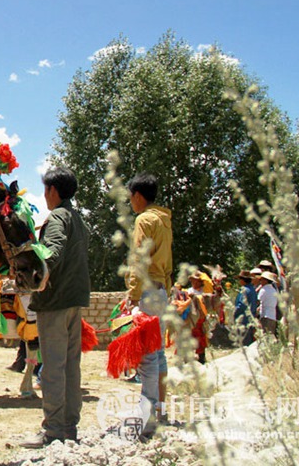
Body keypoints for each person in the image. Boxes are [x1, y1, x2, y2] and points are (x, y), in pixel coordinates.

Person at [21, 167, 90, 448]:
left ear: (53, 191)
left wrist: (40, 272)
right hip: (75, 301)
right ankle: (69, 427)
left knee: (52, 368)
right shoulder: (77, 217)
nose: (45, 195)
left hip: (55, 302)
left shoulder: (58, 217)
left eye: (46, 190)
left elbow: (54, 247)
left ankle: (52, 431)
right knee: (71, 366)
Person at [124, 173, 173, 437]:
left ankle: (148, 416)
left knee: (147, 356)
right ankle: (161, 409)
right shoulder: (165, 220)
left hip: (147, 291)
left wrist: (132, 294)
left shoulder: (144, 219)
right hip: (162, 289)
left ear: (138, 195)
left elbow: (139, 259)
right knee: (160, 353)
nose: (130, 202)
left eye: (130, 196)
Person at [233, 270, 258, 346]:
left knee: (244, 343)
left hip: (243, 319)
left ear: (243, 280)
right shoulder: (252, 289)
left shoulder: (244, 290)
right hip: (250, 318)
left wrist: (234, 313)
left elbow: (241, 305)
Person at [257, 271, 279, 337]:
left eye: (261, 280)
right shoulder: (274, 290)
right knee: (271, 335)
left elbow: (258, 301)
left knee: (265, 336)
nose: (260, 281)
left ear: (266, 280)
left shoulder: (263, 290)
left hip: (265, 315)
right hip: (273, 316)